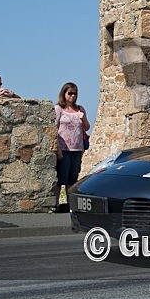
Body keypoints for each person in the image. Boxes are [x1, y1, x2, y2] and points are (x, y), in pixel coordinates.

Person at [54, 82, 90, 213]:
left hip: (77, 148)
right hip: (63, 148)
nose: (72, 96)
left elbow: (86, 127)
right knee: (61, 178)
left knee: (72, 178)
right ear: (64, 93)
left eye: (74, 93)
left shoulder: (80, 109)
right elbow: (54, 128)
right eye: (70, 93)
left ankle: (69, 204)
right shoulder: (58, 109)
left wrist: (83, 117)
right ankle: (57, 204)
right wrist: (57, 149)